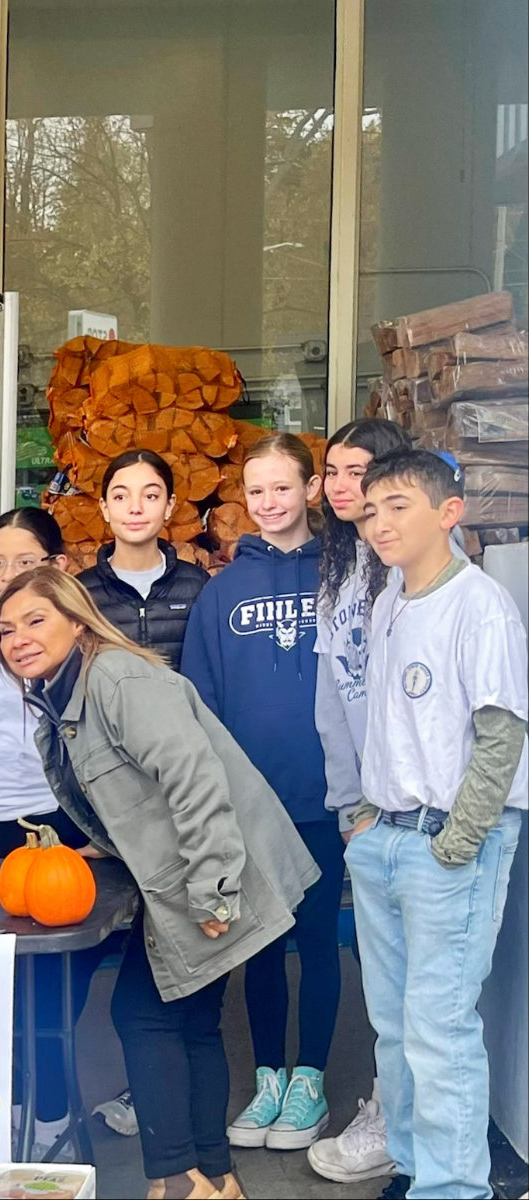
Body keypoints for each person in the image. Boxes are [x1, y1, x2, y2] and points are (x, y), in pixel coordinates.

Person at [0, 566, 318, 1200]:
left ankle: (176, 1181)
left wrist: (212, 889)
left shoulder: (115, 677)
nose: (19, 639)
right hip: (196, 873)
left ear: (76, 618)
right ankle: (216, 1180)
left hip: (217, 872)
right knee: (192, 1020)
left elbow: (194, 779)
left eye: (36, 620)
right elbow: (124, 788)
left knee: (142, 1014)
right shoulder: (59, 696)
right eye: (5, 630)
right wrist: (105, 844)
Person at [345, 450, 526, 1200]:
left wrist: (458, 838)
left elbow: (501, 730)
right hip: (385, 836)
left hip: (447, 843)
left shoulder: (477, 603)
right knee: (392, 1028)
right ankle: (417, 1167)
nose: (378, 521)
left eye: (397, 506)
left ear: (448, 513)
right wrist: (365, 816)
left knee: (439, 1029)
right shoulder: (389, 599)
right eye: (371, 507)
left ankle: (454, 1187)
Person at [181, 432, 342, 1155]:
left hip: (323, 795)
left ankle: (309, 1078)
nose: (268, 503)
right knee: (262, 947)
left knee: (314, 940)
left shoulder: (344, 576)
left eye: (282, 488)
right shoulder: (221, 592)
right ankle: (268, 1077)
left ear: (311, 490)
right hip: (252, 802)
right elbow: (201, 705)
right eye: (255, 491)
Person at [0, 506, 95, 1159]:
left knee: (52, 991)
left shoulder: (70, 641)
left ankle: (52, 1120)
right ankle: (8, 1115)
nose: (7, 575)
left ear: (58, 567)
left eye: (26, 562)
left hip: (61, 823)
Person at [304, 417, 411, 1186]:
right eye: (333, 472)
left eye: (358, 471)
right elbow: (330, 700)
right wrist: (348, 801)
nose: (342, 487)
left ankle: (404, 1127)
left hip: (411, 807)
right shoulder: (338, 568)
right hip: (364, 806)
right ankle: (396, 1117)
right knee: (386, 978)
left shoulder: (409, 565)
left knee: (415, 989)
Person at [77, 449, 210, 669]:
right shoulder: (80, 592)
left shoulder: (198, 585)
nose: (135, 508)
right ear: (105, 508)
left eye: (150, 496)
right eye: (120, 497)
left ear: (169, 506)